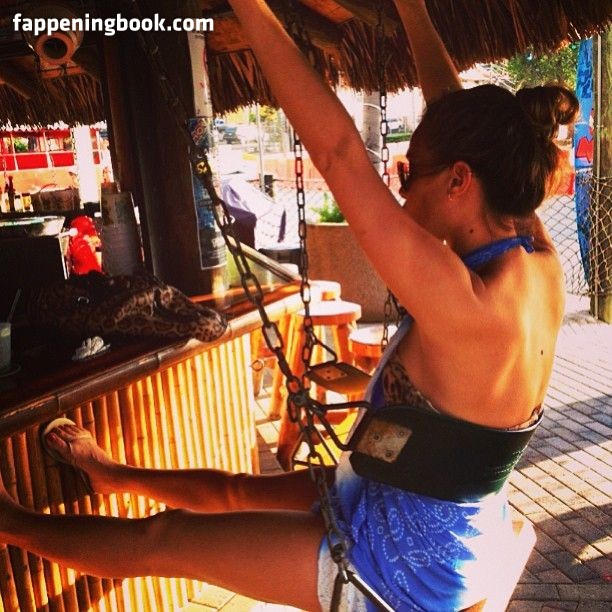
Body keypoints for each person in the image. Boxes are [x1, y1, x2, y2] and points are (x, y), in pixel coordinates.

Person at [0, 1, 578, 610]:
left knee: (164, 538)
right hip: (425, 509)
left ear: (460, 180)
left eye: (409, 175)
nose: (401, 190)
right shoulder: (534, 255)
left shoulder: (465, 301)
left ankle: (11, 524)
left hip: (403, 570)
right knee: (233, 491)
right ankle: (113, 476)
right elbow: (460, 118)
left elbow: (339, 152)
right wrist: (413, 10)